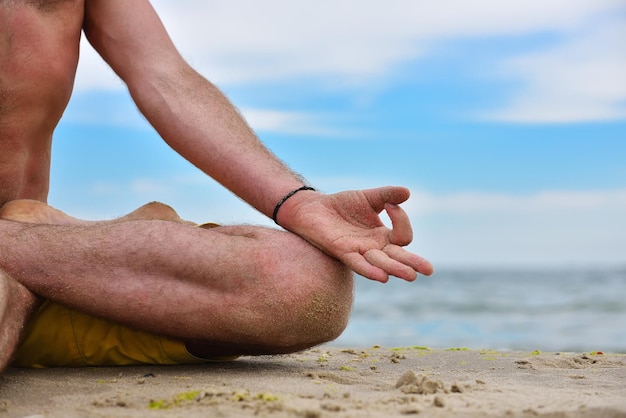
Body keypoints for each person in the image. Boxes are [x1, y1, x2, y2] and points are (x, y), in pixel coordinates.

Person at [0, 0, 433, 373]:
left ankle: (22, 247)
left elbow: (162, 75)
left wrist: (298, 204)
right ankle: (29, 246)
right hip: (39, 266)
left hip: (50, 271)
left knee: (302, 286)